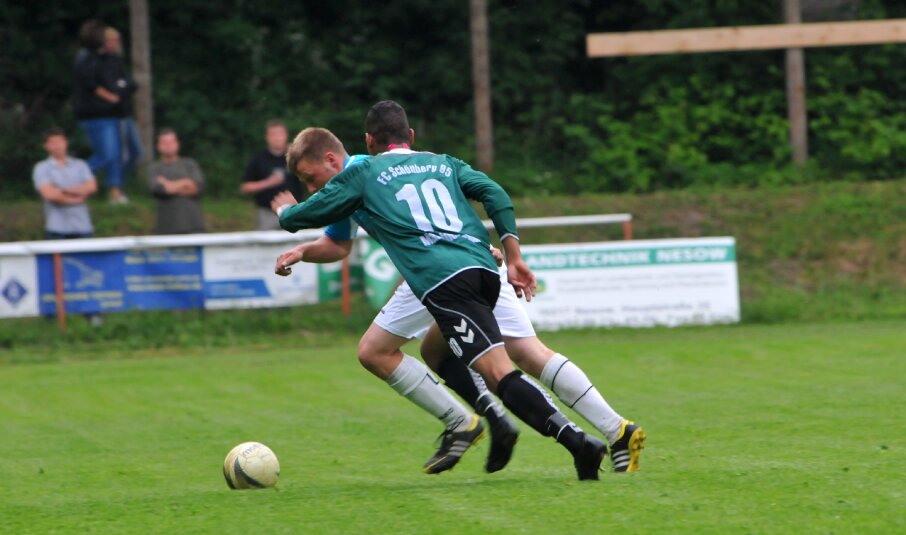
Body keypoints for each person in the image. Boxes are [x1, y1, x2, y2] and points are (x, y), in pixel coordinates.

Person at [273, 130, 645, 474]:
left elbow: (305, 216)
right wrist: (304, 251)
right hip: (479, 261)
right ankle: (616, 429)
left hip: (435, 273)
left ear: (333, 159)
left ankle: (474, 423)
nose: (310, 188)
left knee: (376, 352)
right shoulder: (433, 161)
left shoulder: (362, 175)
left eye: (310, 178)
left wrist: (285, 213)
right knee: (493, 351)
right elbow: (338, 244)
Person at [72, 20, 126, 204]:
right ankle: (74, 180)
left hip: (106, 113)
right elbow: (90, 84)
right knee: (107, 154)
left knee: (114, 154)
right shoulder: (86, 58)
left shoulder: (102, 57)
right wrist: (111, 97)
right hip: (93, 114)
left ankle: (115, 192)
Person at [32, 128, 97, 239]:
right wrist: (77, 198)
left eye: (60, 142)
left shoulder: (80, 165)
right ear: (46, 146)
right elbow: (49, 194)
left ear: (66, 142)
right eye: (52, 143)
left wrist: (64, 190)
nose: (57, 146)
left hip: (83, 227)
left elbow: (92, 186)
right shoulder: (41, 168)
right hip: (57, 228)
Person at [240, 120, 303, 230]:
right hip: (267, 213)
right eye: (273, 134)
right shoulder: (259, 160)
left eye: (280, 134)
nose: (277, 138)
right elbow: (245, 188)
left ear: (286, 135)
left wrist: (296, 151)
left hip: (294, 210)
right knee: (265, 244)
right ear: (267, 137)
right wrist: (268, 182)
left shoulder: (295, 157)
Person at [100, 26, 141, 190]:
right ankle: (114, 189)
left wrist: (122, 86)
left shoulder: (116, 60)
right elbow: (113, 87)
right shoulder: (99, 63)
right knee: (118, 154)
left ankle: (116, 184)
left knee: (135, 153)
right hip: (112, 115)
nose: (113, 44)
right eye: (110, 40)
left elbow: (130, 84)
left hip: (124, 113)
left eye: (116, 40)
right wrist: (122, 86)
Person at [146, 128, 206, 235]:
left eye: (171, 142)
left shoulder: (190, 164)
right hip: (167, 229)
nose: (168, 146)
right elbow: (159, 190)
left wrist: (168, 184)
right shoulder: (154, 168)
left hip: (194, 226)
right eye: (164, 143)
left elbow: (198, 189)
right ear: (158, 146)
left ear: (177, 144)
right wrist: (186, 182)